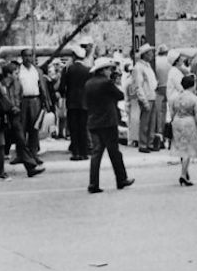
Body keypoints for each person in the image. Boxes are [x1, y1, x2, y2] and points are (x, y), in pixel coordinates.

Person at [85, 57, 134, 193]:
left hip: (94, 121)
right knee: (114, 152)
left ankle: (93, 183)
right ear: (104, 70)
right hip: (108, 121)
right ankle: (121, 178)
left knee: (96, 153)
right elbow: (120, 95)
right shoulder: (106, 83)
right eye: (108, 69)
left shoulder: (88, 83)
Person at [60, 45, 91, 160]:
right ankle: (84, 152)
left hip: (72, 103)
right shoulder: (87, 70)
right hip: (84, 103)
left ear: (74, 56)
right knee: (83, 128)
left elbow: (62, 87)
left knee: (73, 127)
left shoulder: (68, 69)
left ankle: (76, 152)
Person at [17, 49, 47, 168]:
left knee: (34, 129)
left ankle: (34, 155)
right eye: (26, 56)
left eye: (30, 56)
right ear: (22, 57)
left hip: (35, 101)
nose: (28, 58)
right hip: (22, 101)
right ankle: (21, 155)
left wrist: (45, 103)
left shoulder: (37, 71)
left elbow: (42, 87)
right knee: (21, 129)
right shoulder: (19, 71)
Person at [170, 73, 197, 185]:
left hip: (177, 122)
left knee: (181, 147)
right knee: (188, 149)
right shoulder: (194, 99)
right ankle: (183, 174)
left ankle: (185, 170)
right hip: (189, 123)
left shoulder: (175, 98)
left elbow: (172, 112)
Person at [132, 44, 159, 152]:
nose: (152, 55)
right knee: (145, 122)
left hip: (152, 95)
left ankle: (150, 142)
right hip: (146, 96)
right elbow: (138, 85)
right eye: (150, 53)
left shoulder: (147, 66)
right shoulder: (138, 67)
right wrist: (143, 99)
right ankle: (143, 144)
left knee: (152, 122)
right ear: (145, 54)